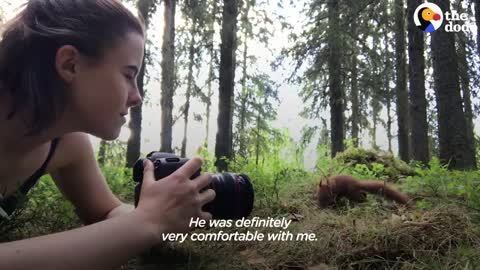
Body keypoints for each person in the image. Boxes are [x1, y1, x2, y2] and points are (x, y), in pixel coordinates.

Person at [0, 0, 216, 269]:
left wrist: (164, 212)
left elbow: (106, 211)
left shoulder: (65, 143)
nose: (137, 97)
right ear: (70, 65)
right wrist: (147, 223)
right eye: (128, 75)